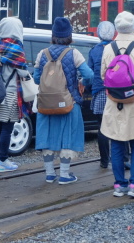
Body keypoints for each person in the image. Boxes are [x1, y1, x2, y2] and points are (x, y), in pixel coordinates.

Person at [33, 17, 93, 184]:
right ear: (69, 36)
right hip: (69, 102)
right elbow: (89, 75)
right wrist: (81, 83)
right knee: (68, 136)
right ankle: (65, 175)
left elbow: (37, 79)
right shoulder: (74, 53)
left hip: (45, 103)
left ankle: (50, 174)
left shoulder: (42, 54)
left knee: (48, 135)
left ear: (53, 35)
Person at [100, 11, 134, 198]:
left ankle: (119, 185)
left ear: (116, 28)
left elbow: (103, 76)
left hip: (114, 103)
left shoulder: (109, 48)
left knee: (116, 144)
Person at [0, 17, 29, 173]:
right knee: (7, 128)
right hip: (10, 93)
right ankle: (3, 160)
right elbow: (23, 72)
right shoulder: (17, 49)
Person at [88, 21, 115, 168]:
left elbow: (90, 74)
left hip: (99, 92)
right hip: (116, 93)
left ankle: (104, 161)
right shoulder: (117, 48)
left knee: (102, 128)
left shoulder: (94, 51)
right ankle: (124, 158)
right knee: (119, 125)